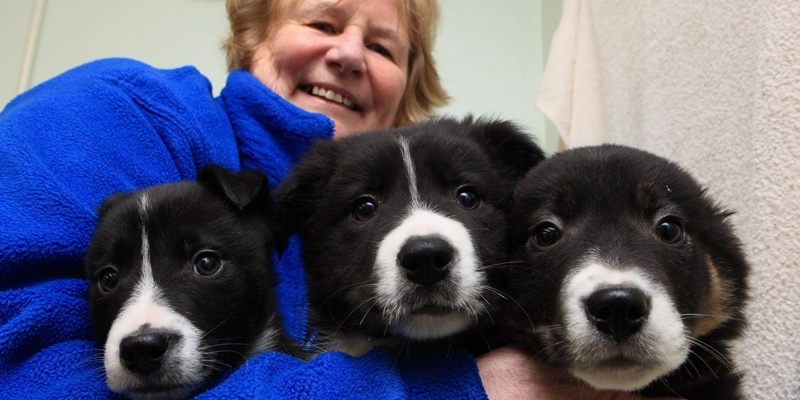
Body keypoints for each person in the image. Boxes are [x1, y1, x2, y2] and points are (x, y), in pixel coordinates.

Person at [0, 0, 675, 398]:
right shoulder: (123, 112)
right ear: (253, 36)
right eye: (322, 20)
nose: (349, 53)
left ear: (407, 87)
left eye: (383, 45)